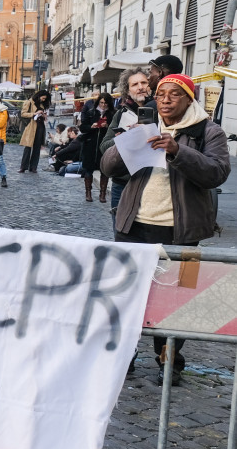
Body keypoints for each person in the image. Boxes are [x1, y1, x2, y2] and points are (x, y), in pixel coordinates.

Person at [100, 73, 230, 385]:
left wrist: (177, 151)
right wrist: (127, 141)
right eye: (161, 95)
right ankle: (125, 356)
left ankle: (169, 359)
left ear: (189, 98)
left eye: (174, 94)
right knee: (128, 295)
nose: (166, 100)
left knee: (177, 301)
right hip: (133, 224)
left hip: (183, 230)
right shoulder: (145, 125)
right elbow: (108, 167)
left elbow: (217, 172)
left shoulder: (209, 131)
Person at [101, 68, 152, 209]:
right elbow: (104, 146)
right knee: (120, 228)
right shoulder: (122, 114)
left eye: (144, 82)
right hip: (123, 182)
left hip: (152, 183)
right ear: (128, 91)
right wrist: (123, 138)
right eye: (135, 84)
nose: (141, 87)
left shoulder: (161, 110)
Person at [79, 92, 114, 202]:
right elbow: (82, 127)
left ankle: (102, 194)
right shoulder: (91, 112)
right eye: (101, 103)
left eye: (105, 103)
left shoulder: (112, 114)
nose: (103, 105)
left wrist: (107, 126)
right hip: (90, 144)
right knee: (88, 170)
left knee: (104, 170)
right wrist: (91, 126)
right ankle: (88, 193)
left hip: (104, 145)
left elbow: (115, 129)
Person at [18, 89, 52, 173]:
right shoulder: (29, 102)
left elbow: (44, 114)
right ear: (39, 96)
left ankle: (33, 167)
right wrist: (34, 113)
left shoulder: (42, 104)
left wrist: (44, 115)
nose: (43, 100)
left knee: (37, 147)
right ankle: (23, 167)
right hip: (31, 126)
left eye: (45, 99)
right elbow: (23, 113)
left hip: (40, 126)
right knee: (28, 147)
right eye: (43, 98)